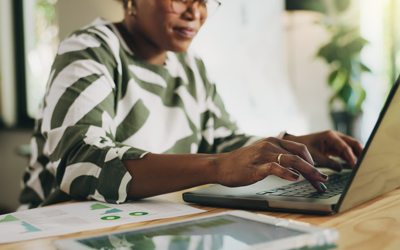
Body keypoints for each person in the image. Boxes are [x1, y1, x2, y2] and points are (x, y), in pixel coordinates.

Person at [19, 0, 363, 209]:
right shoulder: (89, 50)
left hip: (144, 223)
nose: (195, 13)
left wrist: (291, 147)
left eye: (203, 2)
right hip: (58, 228)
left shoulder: (189, 67)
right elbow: (80, 161)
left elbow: (222, 142)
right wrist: (217, 167)